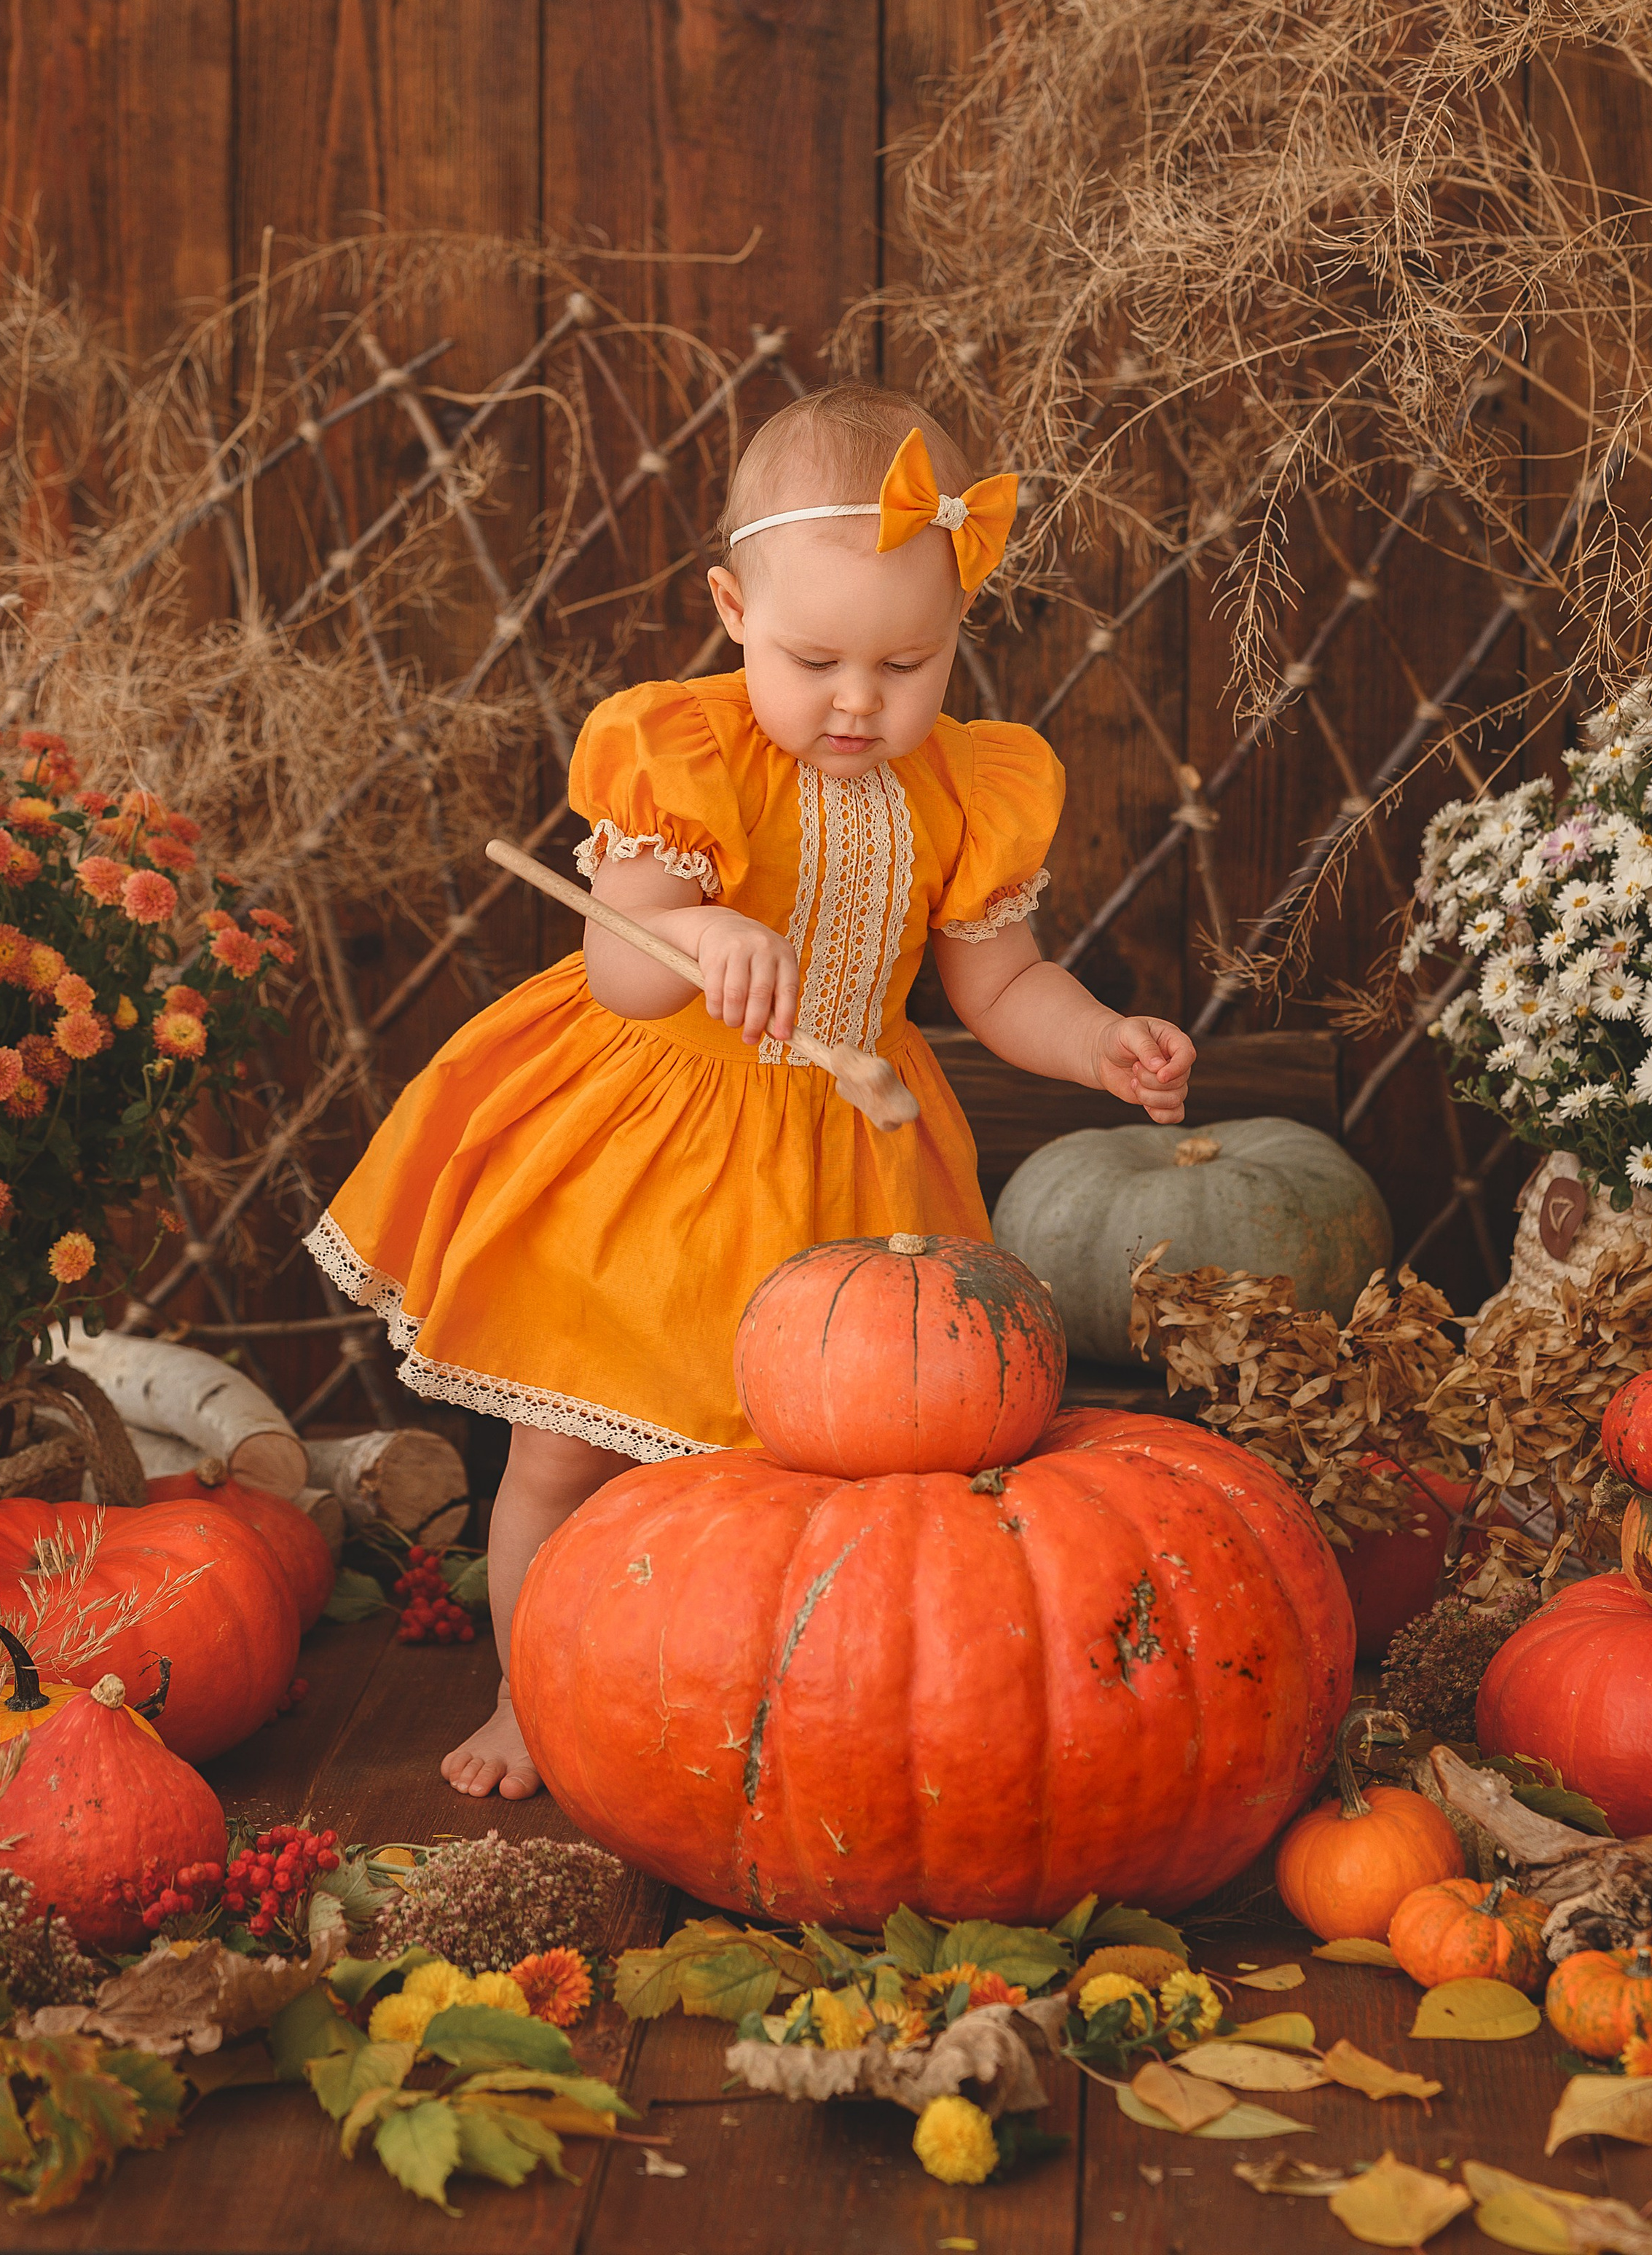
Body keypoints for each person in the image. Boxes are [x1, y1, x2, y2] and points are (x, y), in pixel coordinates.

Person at [306, 388, 1195, 1797]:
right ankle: (531, 1699)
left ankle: (773, 1723)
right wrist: (707, 934)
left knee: (803, 1487)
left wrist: (1095, 1043)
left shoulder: (969, 789)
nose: (860, 699)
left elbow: (998, 987)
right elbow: (619, 963)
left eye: (907, 662)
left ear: (958, 629)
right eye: (817, 657)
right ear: (731, 609)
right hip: (656, 1142)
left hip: (846, 1175)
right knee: (560, 1461)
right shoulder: (691, 755)